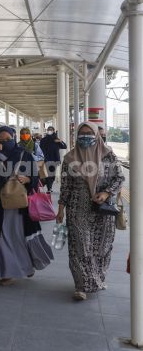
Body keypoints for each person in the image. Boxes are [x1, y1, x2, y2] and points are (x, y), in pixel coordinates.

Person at [56, 122, 125, 301]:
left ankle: (97, 279)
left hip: (103, 210)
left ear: (96, 135)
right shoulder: (70, 158)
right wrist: (61, 209)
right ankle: (81, 286)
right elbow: (66, 186)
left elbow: (119, 177)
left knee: (102, 247)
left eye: (89, 133)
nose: (85, 136)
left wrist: (106, 192)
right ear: (77, 135)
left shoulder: (108, 155)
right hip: (78, 209)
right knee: (80, 248)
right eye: (82, 133)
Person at [0, 126, 54, 286]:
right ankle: (8, 272)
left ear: (14, 138)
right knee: (5, 237)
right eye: (1, 140)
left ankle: (26, 265)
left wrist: (28, 180)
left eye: (8, 139)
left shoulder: (25, 154)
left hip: (21, 204)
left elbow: (35, 175)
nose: (5, 142)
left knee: (20, 236)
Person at [39, 126, 67, 192]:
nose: (50, 131)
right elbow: (40, 148)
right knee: (49, 174)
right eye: (48, 129)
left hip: (55, 159)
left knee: (52, 175)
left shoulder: (56, 139)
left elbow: (64, 146)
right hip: (46, 159)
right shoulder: (44, 140)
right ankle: (49, 188)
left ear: (53, 131)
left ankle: (48, 186)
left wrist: (60, 141)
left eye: (51, 130)